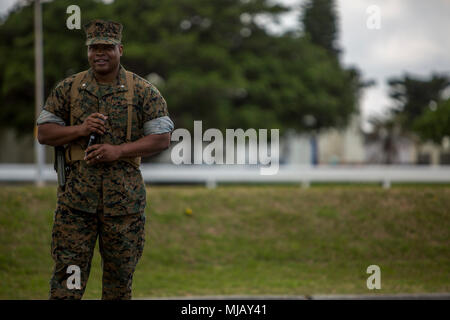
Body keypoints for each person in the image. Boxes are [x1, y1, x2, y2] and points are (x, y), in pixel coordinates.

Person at [37, 19, 174, 300]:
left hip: (123, 206)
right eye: (93, 47)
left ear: (120, 49)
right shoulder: (69, 89)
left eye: (107, 47)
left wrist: (119, 151)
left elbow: (162, 138)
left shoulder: (143, 91)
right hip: (75, 205)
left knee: (119, 282)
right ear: (87, 51)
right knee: (68, 281)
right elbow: (44, 133)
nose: (99, 53)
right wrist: (81, 129)